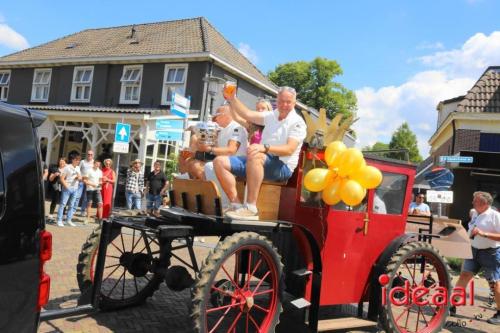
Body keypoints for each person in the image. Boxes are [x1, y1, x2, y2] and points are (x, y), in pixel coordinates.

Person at [214, 86, 307, 220]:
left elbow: (289, 149)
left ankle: (251, 208)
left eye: (288, 102)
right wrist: (232, 98)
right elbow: (247, 114)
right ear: (277, 100)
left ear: (294, 102)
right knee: (219, 161)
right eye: (281, 101)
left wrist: (264, 147)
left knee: (256, 155)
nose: (284, 105)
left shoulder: (298, 122)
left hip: (282, 166)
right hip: (260, 159)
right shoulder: (271, 115)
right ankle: (236, 205)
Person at [451, 191, 500, 325]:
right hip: (473, 250)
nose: (472, 202)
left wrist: (483, 234)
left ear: (484, 203)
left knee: (494, 283)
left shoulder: (495, 216)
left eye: (475, 200)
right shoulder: (474, 212)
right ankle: (452, 305)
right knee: (464, 276)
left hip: (490, 253)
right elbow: (472, 212)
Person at [187, 105, 248, 180]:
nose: (214, 119)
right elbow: (216, 149)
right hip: (223, 163)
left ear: (225, 115)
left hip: (235, 166)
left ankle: (217, 189)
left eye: (216, 116)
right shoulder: (221, 130)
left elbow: (231, 150)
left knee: (197, 166)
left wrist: (209, 149)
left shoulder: (237, 127)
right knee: (191, 162)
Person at [56, 152, 82, 227]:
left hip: (75, 188)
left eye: (79, 160)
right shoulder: (67, 167)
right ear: (73, 160)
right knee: (63, 204)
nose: (78, 161)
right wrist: (67, 187)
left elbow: (80, 178)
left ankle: (68, 220)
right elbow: (62, 179)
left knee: (72, 205)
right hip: (67, 188)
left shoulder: (78, 168)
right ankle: (59, 220)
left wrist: (78, 177)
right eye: (77, 160)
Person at [76, 150, 95, 217]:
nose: (89, 155)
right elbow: (78, 169)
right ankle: (73, 209)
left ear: (93, 155)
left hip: (89, 182)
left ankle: (82, 211)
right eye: (88, 154)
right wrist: (79, 177)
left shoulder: (94, 162)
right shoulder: (82, 161)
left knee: (85, 197)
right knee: (77, 196)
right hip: (81, 181)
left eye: (91, 154)